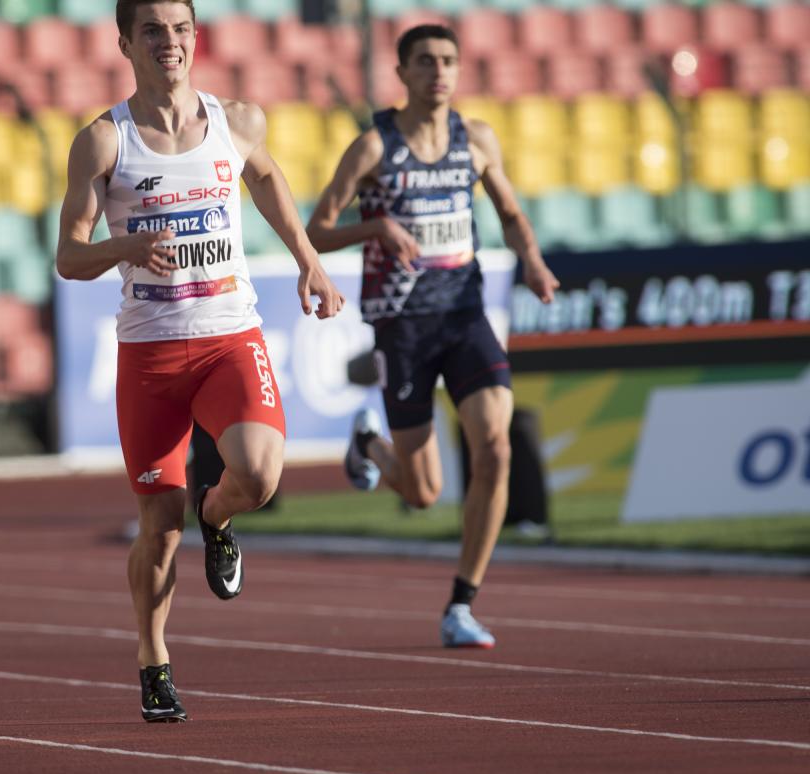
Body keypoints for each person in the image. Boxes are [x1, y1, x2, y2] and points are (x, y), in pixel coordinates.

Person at [56, 0, 344, 722]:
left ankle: (218, 517)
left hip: (227, 336)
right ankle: (154, 660)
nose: (170, 43)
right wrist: (123, 247)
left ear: (196, 38)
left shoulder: (236, 120)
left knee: (260, 471)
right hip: (150, 352)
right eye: (152, 31)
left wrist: (308, 260)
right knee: (158, 527)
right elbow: (68, 255)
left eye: (181, 29)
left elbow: (269, 181)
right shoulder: (102, 142)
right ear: (125, 42)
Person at [307, 24, 559, 649]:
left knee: (494, 447)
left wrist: (531, 259)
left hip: (465, 315)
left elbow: (509, 212)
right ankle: (370, 444)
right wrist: (377, 231)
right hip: (404, 326)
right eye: (425, 61)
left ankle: (461, 604)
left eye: (448, 60)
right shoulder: (373, 146)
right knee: (422, 494)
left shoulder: (475, 139)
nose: (439, 71)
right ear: (402, 73)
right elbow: (315, 230)